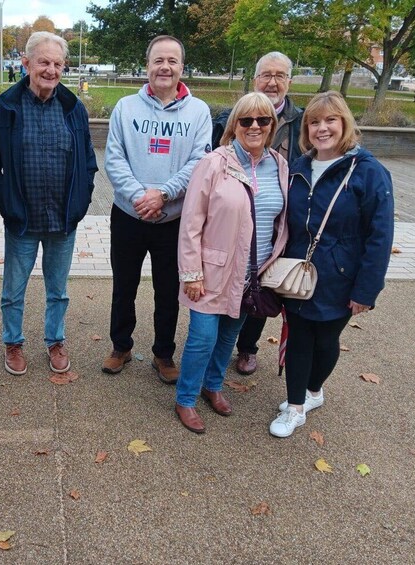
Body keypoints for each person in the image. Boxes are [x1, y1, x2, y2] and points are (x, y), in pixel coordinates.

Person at [269, 92, 394, 438]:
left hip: (340, 276)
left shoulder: (368, 173)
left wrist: (366, 289)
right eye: (313, 122)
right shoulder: (298, 167)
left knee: (325, 341)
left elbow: (380, 237)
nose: (321, 128)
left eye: (330, 121)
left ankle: (313, 391)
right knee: (299, 338)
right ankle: (295, 407)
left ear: (344, 124)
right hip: (298, 272)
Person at [0, 31, 98, 376]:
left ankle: (55, 340)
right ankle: (13, 342)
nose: (50, 69)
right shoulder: (7, 106)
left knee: (58, 290)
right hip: (23, 219)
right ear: (27, 63)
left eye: (57, 63)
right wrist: (6, 199)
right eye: (44, 62)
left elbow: (89, 161)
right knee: (13, 289)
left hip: (63, 219)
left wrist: (80, 203)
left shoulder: (73, 107)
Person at [175, 92, 289, 434]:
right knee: (202, 339)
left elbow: (281, 220)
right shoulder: (214, 163)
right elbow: (191, 223)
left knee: (227, 339)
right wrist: (191, 274)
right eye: (246, 120)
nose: (254, 126)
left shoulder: (279, 165)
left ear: (272, 126)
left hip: (253, 274)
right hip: (212, 272)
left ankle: (213, 386)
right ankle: (186, 398)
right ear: (233, 125)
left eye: (263, 120)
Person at [102, 35, 212, 384]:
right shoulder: (125, 108)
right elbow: (114, 159)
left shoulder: (198, 112)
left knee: (168, 291)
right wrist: (140, 197)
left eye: (172, 61)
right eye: (158, 60)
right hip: (128, 216)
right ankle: (120, 346)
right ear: (147, 65)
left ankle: (163, 354)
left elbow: (199, 162)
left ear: (182, 66)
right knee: (124, 286)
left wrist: (162, 194)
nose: (165, 67)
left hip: (174, 219)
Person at [212, 52, 305, 377]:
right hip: (233, 221)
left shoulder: (301, 122)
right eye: (266, 74)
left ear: (289, 81)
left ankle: (247, 348)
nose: (272, 81)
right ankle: (218, 348)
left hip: (278, 219)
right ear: (255, 79)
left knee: (262, 287)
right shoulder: (229, 118)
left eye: (280, 75)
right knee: (226, 289)